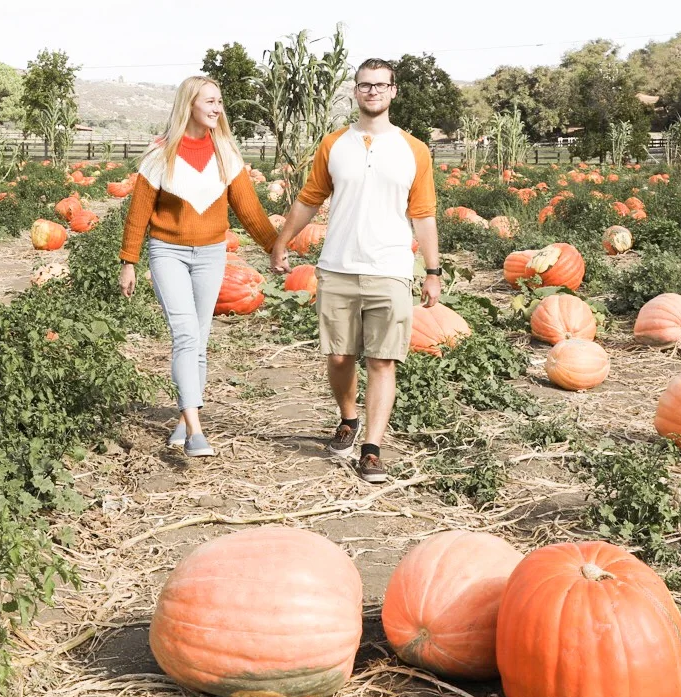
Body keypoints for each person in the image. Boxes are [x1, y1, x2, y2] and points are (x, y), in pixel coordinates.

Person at [272, 58, 441, 484]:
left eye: (381, 85)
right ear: (355, 91)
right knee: (339, 356)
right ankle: (349, 418)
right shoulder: (334, 144)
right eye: (366, 85)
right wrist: (282, 240)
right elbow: (309, 199)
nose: (373, 91)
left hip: (391, 268)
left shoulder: (414, 150)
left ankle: (372, 449)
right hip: (338, 266)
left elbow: (423, 215)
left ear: (393, 91)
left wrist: (433, 270)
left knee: (383, 361)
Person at [119, 75, 279, 457]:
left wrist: (276, 247)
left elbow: (250, 210)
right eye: (209, 101)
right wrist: (129, 262)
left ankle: (183, 419)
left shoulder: (226, 153)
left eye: (219, 101)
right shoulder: (160, 154)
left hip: (211, 253)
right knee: (186, 335)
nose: (217, 108)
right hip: (167, 252)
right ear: (189, 104)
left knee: (200, 340)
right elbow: (139, 212)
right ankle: (195, 431)